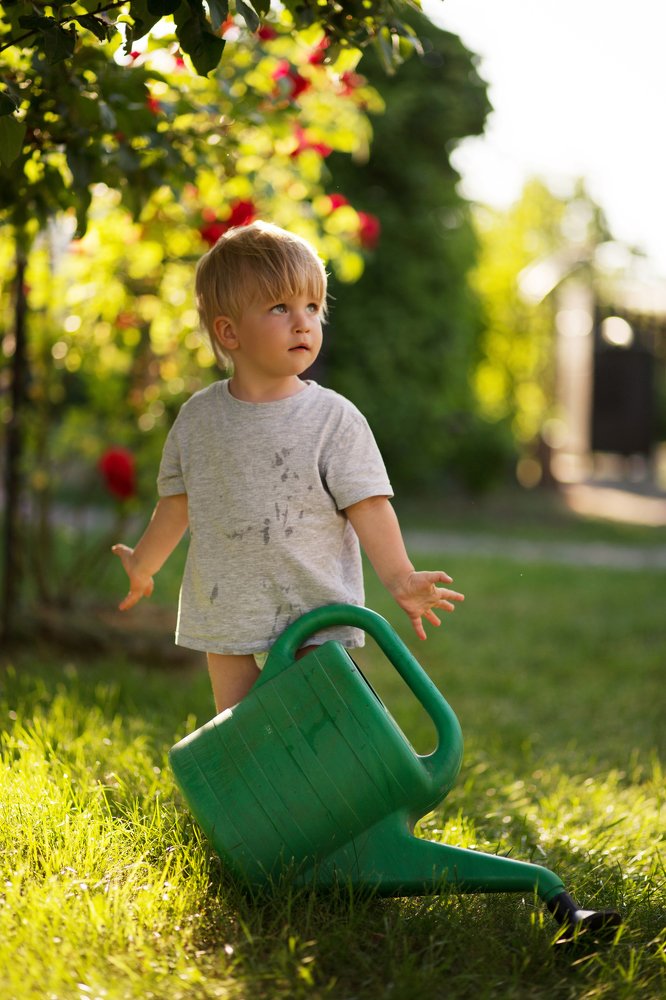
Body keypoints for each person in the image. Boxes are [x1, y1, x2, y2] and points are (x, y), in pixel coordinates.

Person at [112, 221, 464, 713]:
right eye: (281, 308)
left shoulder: (333, 419)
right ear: (228, 331)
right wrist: (143, 564)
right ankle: (250, 791)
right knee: (243, 733)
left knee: (316, 721)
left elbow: (369, 505)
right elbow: (177, 503)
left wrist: (401, 578)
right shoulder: (198, 419)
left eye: (313, 308)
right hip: (227, 606)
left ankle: (329, 790)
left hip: (313, 609)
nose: (304, 323)